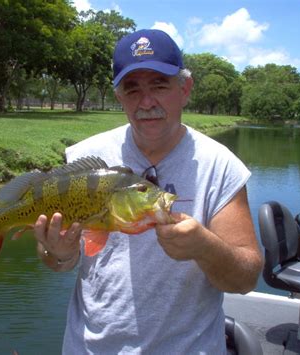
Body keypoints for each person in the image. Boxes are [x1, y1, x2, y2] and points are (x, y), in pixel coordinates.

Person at [34, 29, 263, 354]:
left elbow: (246, 279)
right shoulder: (83, 160)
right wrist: (57, 252)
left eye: (159, 85)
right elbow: (58, 262)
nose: (146, 102)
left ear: (185, 89)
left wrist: (204, 247)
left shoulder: (220, 166)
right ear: (119, 96)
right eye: (132, 89)